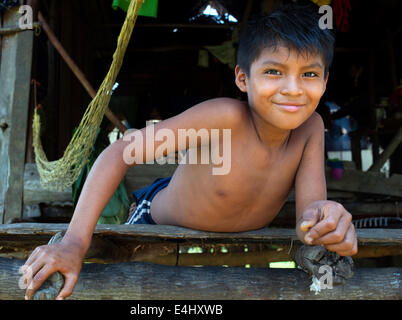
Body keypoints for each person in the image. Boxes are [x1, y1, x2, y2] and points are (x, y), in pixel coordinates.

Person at [22, 3, 357, 300]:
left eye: (309, 74)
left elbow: (309, 217)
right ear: (243, 78)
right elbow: (121, 151)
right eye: (274, 72)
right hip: (153, 218)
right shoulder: (225, 117)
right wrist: (73, 243)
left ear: (325, 81)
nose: (293, 88)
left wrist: (328, 223)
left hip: (238, 235)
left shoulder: (311, 128)